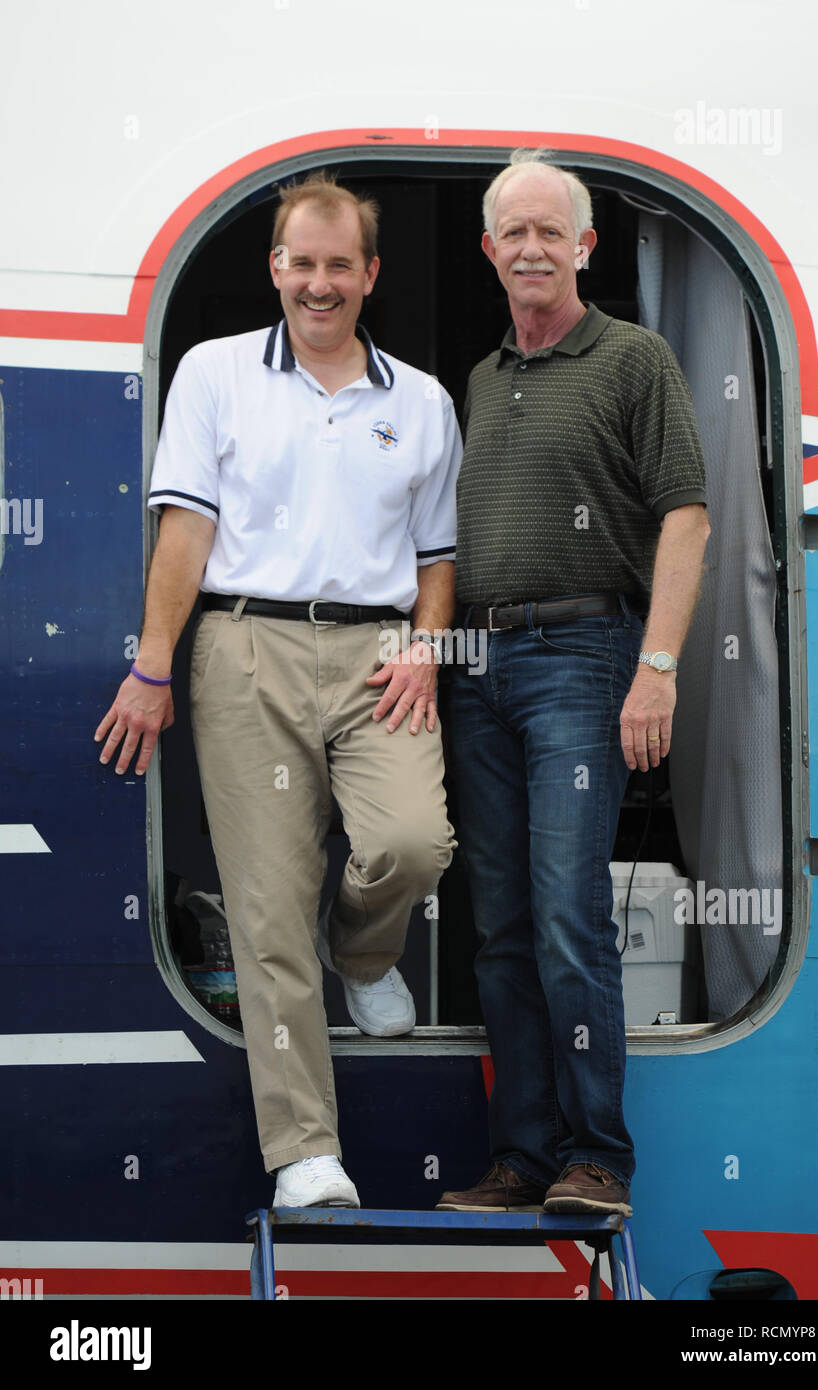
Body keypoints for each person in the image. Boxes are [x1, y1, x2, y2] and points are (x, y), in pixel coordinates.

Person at [95, 172, 460, 1209]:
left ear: (369, 274)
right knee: (267, 908)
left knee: (412, 843)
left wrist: (429, 646)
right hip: (244, 647)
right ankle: (305, 1149)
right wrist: (152, 666)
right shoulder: (214, 375)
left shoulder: (422, 401)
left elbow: (437, 557)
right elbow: (186, 532)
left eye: (339, 264)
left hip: (378, 654)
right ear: (275, 268)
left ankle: (364, 949)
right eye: (301, 263)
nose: (319, 282)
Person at [437, 151, 710, 1217]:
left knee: (565, 919)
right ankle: (521, 1159)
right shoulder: (478, 378)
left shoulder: (632, 359)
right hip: (479, 670)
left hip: (585, 660)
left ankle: (596, 1159)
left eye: (553, 231)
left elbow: (685, 517)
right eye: (516, 232)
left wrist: (656, 667)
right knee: (499, 925)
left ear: (585, 248)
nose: (534, 248)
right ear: (490, 252)